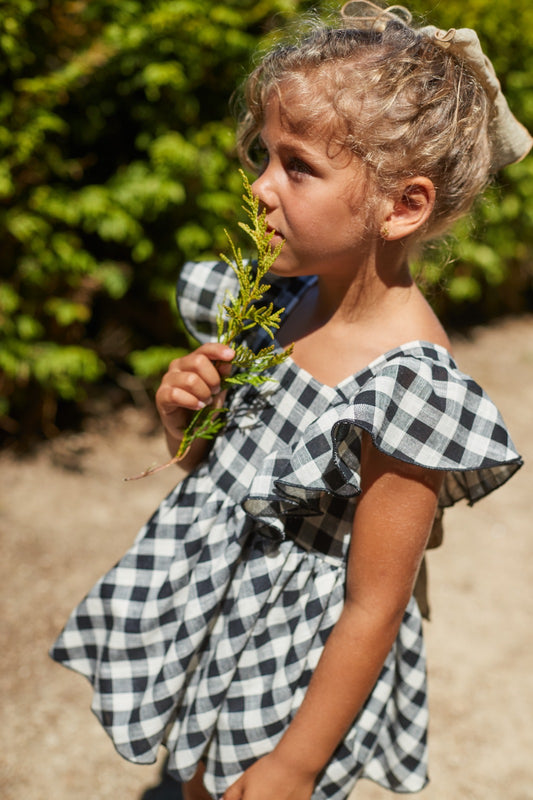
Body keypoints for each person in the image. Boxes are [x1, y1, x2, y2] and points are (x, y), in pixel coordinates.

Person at [51, 3, 531, 798]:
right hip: (222, 605)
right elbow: (222, 470)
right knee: (197, 774)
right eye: (262, 156)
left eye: (296, 166)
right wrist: (184, 420)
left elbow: (376, 604)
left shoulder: (409, 382)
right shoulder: (275, 301)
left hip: (299, 656)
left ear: (401, 206)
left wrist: (293, 764)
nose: (260, 188)